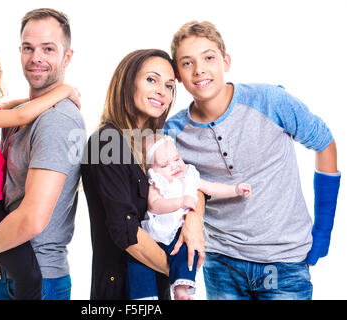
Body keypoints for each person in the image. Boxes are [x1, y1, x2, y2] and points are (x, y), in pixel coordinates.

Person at [164, 20, 341, 300]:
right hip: (222, 262)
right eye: (187, 63)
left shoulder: (271, 101)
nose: (199, 70)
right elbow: (181, 183)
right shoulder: (173, 132)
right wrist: (193, 218)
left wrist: (323, 232)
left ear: (226, 61)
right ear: (178, 74)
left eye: (209, 57)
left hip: (284, 262)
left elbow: (325, 145)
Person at [0, 8, 86, 300]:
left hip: (39, 279)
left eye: (48, 49)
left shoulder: (55, 120)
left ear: (67, 57)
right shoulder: (18, 116)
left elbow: (32, 220)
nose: (36, 57)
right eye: (28, 48)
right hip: (0, 273)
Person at [81, 49, 206, 300]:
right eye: (152, 79)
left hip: (156, 288)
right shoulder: (107, 143)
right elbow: (126, 232)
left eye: (169, 85)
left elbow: (190, 182)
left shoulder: (151, 143)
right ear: (128, 82)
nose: (162, 91)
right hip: (122, 290)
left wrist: (193, 221)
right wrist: (181, 272)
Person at [127, 133, 251, 300]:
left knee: (187, 251)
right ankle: (145, 297)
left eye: (177, 159)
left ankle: (181, 289)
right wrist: (180, 202)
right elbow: (155, 205)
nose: (174, 166)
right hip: (155, 236)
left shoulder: (190, 177)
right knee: (139, 264)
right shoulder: (156, 183)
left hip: (178, 234)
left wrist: (234, 190)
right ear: (151, 170)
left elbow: (212, 188)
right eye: (165, 164)